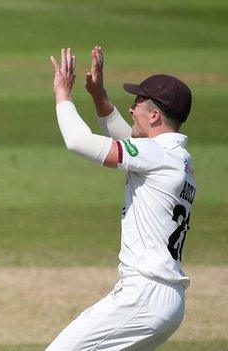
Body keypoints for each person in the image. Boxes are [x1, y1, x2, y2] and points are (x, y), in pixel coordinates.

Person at [46, 46, 195, 350]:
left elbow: (78, 141)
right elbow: (127, 142)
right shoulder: (177, 157)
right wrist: (99, 95)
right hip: (166, 300)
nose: (131, 108)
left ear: (154, 115)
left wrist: (63, 95)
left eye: (138, 102)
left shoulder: (157, 155)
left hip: (144, 296)